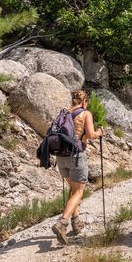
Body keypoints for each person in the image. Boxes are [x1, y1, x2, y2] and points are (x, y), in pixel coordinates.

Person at [51, 90, 103, 244]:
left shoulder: (64, 113)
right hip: (76, 155)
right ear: (84, 101)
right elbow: (91, 134)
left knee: (73, 190)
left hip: (61, 157)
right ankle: (62, 223)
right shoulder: (85, 114)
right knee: (79, 192)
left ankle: (76, 222)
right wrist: (100, 132)